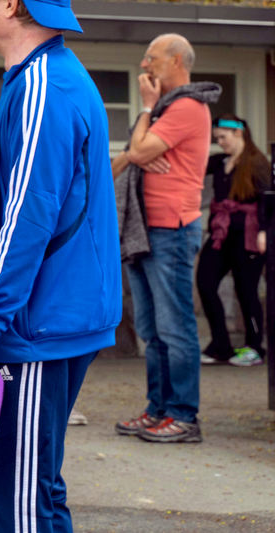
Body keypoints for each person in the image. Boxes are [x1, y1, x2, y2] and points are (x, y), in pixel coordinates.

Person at [0, 0, 121, 533]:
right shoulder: (46, 79)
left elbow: (26, 219)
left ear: (10, 2)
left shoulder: (43, 87)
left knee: (19, 497)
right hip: (49, 317)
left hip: (33, 323)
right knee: (36, 487)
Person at [111, 33, 218, 443]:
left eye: (151, 58)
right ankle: (158, 409)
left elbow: (135, 154)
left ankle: (183, 416)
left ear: (176, 60)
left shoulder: (186, 107)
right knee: (152, 330)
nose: (144, 66)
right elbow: (130, 156)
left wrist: (144, 112)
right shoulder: (165, 111)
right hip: (145, 230)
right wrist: (138, 147)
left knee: (175, 329)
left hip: (170, 230)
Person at [197, 114, 271, 367]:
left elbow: (267, 200)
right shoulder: (219, 162)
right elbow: (192, 164)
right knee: (206, 282)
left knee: (246, 290)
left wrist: (264, 231)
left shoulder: (257, 163)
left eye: (223, 137)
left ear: (238, 133)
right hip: (221, 234)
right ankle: (221, 345)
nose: (220, 142)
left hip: (248, 236)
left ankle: (254, 347)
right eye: (216, 138)